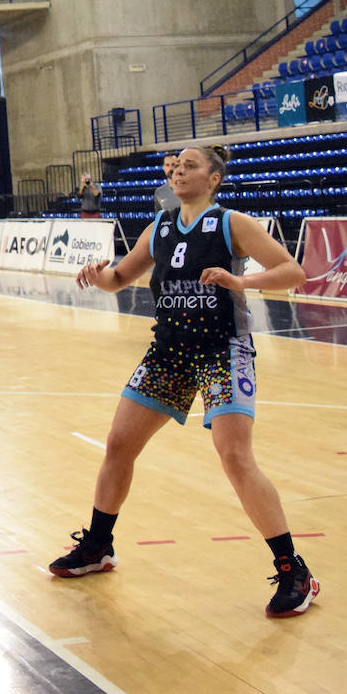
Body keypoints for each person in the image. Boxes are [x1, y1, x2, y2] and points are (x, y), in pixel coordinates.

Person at [53, 145, 320, 619]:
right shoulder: (159, 226)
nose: (178, 170)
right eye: (174, 165)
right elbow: (120, 278)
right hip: (170, 351)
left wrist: (241, 284)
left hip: (223, 350)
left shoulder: (231, 223)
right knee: (118, 444)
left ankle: (294, 570)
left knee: (235, 457)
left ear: (214, 178)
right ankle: (98, 546)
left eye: (190, 165)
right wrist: (99, 276)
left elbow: (293, 272)